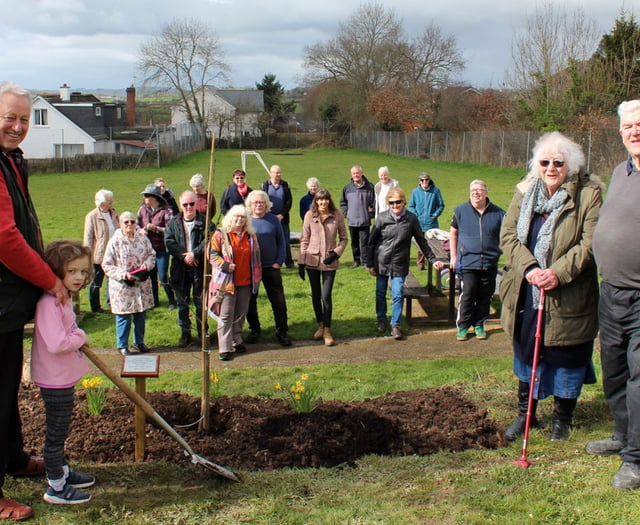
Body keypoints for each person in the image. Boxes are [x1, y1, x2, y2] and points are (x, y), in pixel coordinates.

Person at [499, 131, 602, 444]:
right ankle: (525, 414)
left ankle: (562, 418)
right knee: (528, 351)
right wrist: (530, 268)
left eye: (559, 162)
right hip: (527, 292)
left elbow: (590, 243)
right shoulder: (526, 190)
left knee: (566, 355)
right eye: (544, 162)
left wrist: (556, 273)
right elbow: (509, 235)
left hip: (568, 294)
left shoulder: (589, 193)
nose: (551, 168)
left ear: (570, 165)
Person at [0, 80, 67, 521]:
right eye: (10, 116)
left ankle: (12, 458)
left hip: (7, 302)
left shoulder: (11, 161)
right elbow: (4, 237)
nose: (19, 126)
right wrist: (50, 281)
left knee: (6, 389)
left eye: (25, 118)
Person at [587, 99, 640, 490]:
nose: (634, 131)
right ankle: (623, 434)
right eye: (627, 126)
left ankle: (635, 459)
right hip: (613, 292)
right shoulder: (622, 171)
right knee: (615, 369)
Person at [31, 240, 95, 505]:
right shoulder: (49, 303)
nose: (79, 277)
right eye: (72, 272)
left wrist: (75, 335)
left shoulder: (63, 298)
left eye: (83, 271)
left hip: (62, 377)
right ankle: (56, 486)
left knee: (63, 429)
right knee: (56, 433)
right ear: (57, 271)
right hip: (53, 379)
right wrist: (80, 336)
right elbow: (57, 343)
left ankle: (64, 473)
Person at [367, 188, 445, 340]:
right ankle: (381, 319)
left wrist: (433, 260)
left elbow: (422, 242)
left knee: (397, 293)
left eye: (398, 202)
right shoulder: (382, 218)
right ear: (388, 203)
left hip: (400, 263)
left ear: (404, 202)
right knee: (380, 292)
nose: (395, 205)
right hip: (381, 261)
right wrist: (370, 263)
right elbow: (371, 242)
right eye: (392, 203)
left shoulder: (411, 219)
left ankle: (395, 325)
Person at [449, 180, 505, 341]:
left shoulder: (499, 214)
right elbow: (453, 234)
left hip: (489, 262)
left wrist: (499, 251)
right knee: (468, 294)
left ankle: (479, 325)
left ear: (486, 193)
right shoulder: (460, 211)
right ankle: (463, 326)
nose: (476, 193)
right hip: (468, 261)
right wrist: (454, 256)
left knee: (485, 296)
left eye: (480, 190)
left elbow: (506, 236)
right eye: (473, 190)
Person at [208, 204, 261, 361]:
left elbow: (256, 256)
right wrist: (224, 265)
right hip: (227, 282)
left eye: (243, 217)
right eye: (237, 216)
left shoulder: (251, 236)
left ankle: (236, 340)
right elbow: (211, 254)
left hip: (245, 281)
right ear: (230, 217)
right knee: (226, 314)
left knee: (240, 313)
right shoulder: (220, 235)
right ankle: (224, 347)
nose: (239, 220)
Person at [298, 189, 348, 346]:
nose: (323, 202)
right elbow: (304, 239)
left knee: (326, 296)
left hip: (329, 261)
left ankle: (327, 330)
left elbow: (344, 238)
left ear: (329, 200)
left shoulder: (337, 215)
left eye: (325, 199)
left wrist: (336, 253)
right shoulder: (309, 216)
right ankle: (320, 325)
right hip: (312, 260)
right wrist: (301, 261)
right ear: (316, 201)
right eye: (320, 200)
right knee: (315, 294)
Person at [102, 211, 156, 355]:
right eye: (126, 222)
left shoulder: (142, 239)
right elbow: (106, 264)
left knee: (140, 315)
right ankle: (122, 345)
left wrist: (146, 267)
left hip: (141, 284)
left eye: (132, 221)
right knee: (123, 317)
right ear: (120, 224)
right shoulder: (115, 241)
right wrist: (123, 275)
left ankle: (139, 342)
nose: (129, 225)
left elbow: (152, 255)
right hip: (122, 286)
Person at [245, 190, 292, 346]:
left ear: (266, 204)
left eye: (261, 202)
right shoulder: (245, 221)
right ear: (250, 205)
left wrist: (279, 261)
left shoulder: (273, 220)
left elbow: (282, 242)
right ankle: (255, 330)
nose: (259, 205)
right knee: (250, 302)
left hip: (271, 267)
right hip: (251, 269)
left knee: (278, 301)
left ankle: (282, 331)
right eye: (255, 202)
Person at [165, 191, 211, 348]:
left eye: (191, 204)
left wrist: (194, 254)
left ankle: (203, 333)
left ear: (197, 203)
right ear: (180, 205)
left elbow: (209, 240)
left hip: (200, 268)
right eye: (185, 204)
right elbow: (169, 242)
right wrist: (184, 256)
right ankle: (185, 334)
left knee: (200, 302)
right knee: (182, 303)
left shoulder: (205, 222)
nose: (189, 207)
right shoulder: (173, 223)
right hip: (180, 269)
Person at [137, 183, 175, 309]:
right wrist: (140, 230)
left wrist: (155, 228)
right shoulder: (142, 210)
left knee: (163, 276)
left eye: (147, 196)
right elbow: (136, 224)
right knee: (151, 276)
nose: (145, 198)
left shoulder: (166, 211)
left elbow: (171, 230)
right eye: (144, 196)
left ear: (155, 197)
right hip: (147, 250)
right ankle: (154, 301)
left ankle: (172, 300)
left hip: (162, 249)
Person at [83, 188, 118, 313]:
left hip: (114, 253)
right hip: (99, 255)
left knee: (113, 280)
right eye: (109, 200)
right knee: (96, 281)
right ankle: (95, 307)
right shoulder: (92, 216)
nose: (112, 202)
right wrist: (88, 256)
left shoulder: (114, 213)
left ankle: (112, 303)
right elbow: (88, 238)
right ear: (102, 203)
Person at [408, 173, 445, 270]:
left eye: (426, 180)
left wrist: (435, 215)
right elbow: (411, 206)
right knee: (420, 242)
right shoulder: (415, 192)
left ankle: (434, 261)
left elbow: (441, 205)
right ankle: (420, 263)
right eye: (422, 180)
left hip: (431, 222)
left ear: (429, 180)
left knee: (434, 243)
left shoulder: (435, 191)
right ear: (419, 181)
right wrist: (416, 215)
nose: (424, 182)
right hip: (419, 222)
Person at [340, 165, 374, 268]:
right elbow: (343, 202)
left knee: (365, 242)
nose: (356, 175)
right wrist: (345, 212)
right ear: (351, 175)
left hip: (364, 219)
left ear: (361, 173)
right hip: (352, 220)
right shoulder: (347, 188)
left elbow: (373, 202)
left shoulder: (370, 187)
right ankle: (356, 260)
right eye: (354, 173)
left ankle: (365, 262)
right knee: (354, 242)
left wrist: (371, 214)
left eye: (357, 173)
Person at [260, 165, 294, 268]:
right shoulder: (264, 185)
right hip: (268, 219)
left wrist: (282, 214)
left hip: (283, 219)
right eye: (276, 172)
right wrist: (269, 215)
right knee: (270, 241)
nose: (278, 175)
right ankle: (272, 262)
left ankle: (289, 262)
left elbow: (289, 201)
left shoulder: (285, 185)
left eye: (279, 172)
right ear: (270, 173)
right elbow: (262, 201)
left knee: (286, 241)